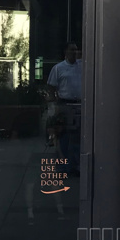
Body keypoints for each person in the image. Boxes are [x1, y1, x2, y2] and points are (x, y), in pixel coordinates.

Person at [47, 42, 82, 176]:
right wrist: (54, 106)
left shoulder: (82, 66)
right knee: (64, 137)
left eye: (76, 50)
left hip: (80, 104)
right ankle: (62, 167)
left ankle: (76, 166)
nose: (74, 53)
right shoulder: (58, 68)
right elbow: (51, 87)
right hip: (65, 104)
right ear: (65, 52)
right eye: (71, 50)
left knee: (78, 138)